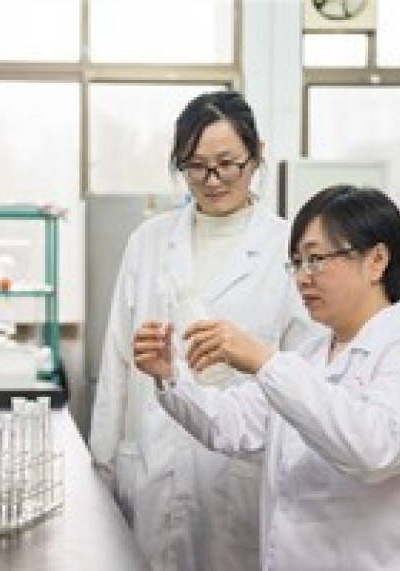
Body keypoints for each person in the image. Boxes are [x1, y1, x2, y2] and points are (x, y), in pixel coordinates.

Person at [134, 185, 400, 570]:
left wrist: (265, 361)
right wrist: (171, 377)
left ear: (376, 260)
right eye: (296, 263)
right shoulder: (311, 357)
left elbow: (373, 448)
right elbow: (232, 424)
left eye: (316, 259)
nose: (302, 278)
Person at [89, 90, 317, 571]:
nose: (212, 181)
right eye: (195, 167)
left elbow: (305, 377)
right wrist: (102, 469)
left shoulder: (287, 249)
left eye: (227, 164)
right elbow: (116, 363)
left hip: (239, 478)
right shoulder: (148, 242)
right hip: (152, 464)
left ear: (256, 156)